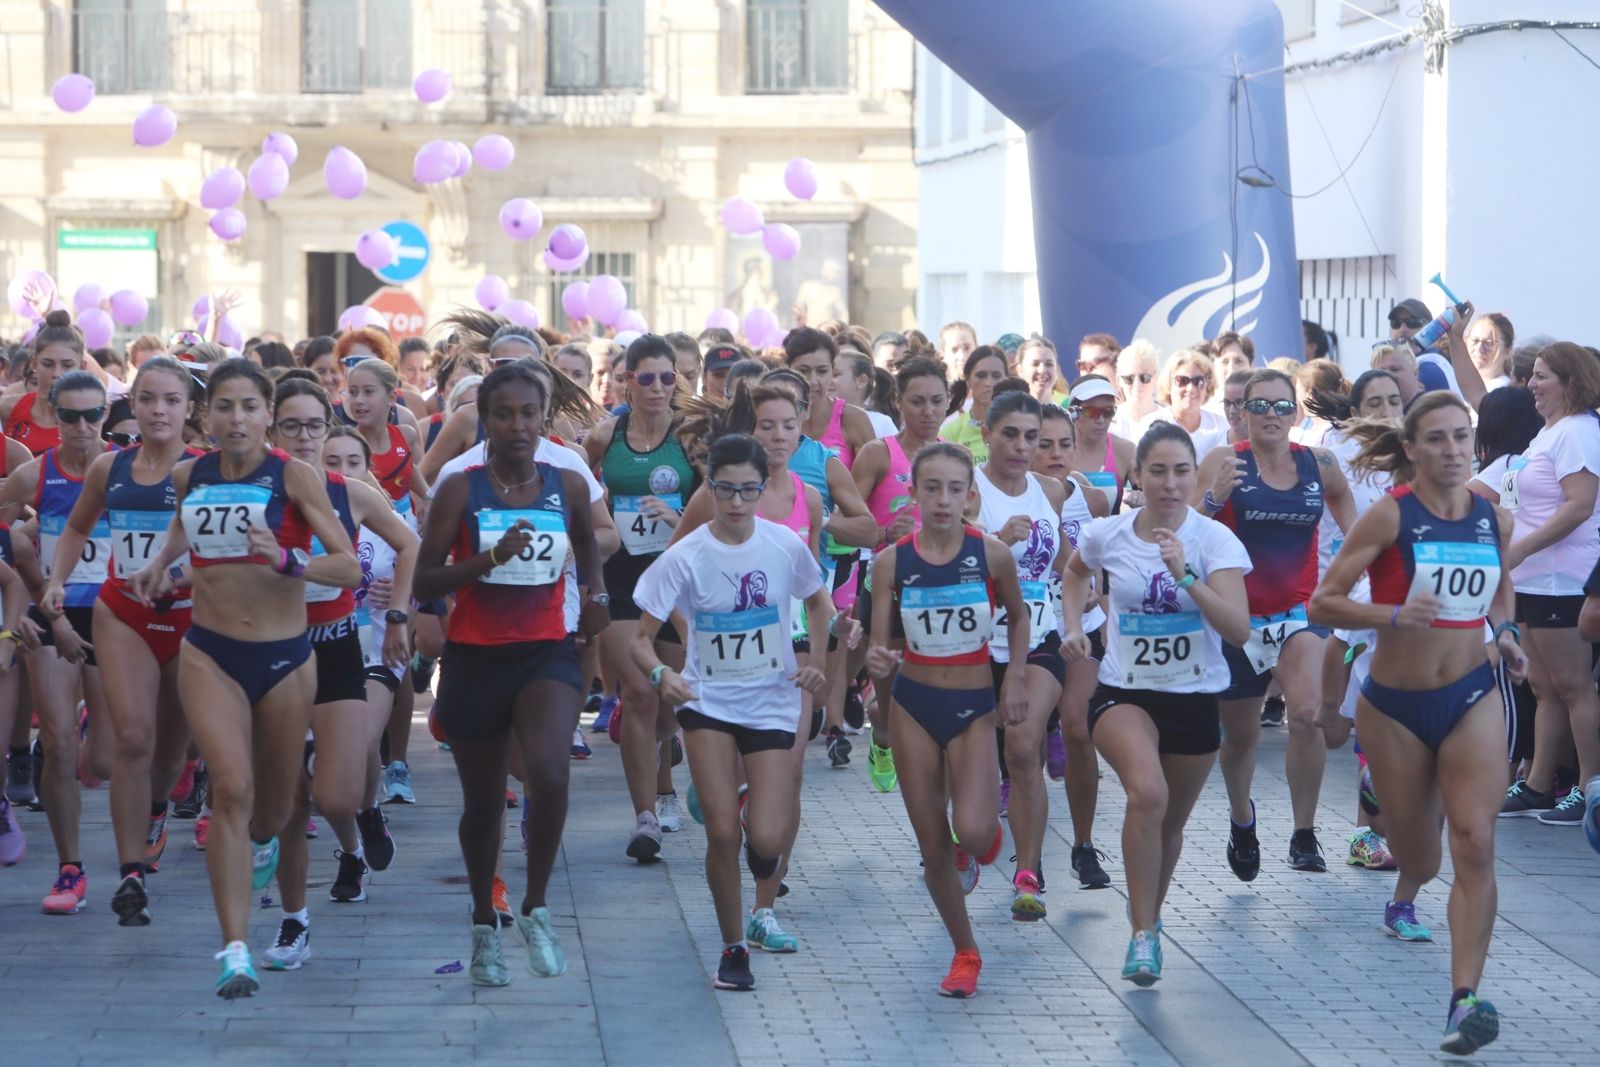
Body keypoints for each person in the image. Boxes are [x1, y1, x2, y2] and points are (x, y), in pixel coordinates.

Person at [128, 358, 361, 998]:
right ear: (208, 416)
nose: (236, 419)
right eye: (224, 407)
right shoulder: (190, 473)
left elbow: (346, 567)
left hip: (286, 657)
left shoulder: (297, 477)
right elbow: (182, 534)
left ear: (267, 416)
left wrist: (288, 559)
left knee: (279, 807)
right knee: (230, 787)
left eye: (249, 408)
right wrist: (157, 569)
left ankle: (269, 859)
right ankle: (235, 950)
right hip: (210, 653)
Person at [1309, 392, 1524, 1055]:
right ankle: (1387, 800)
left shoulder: (1492, 517)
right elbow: (1325, 601)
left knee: (1474, 840)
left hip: (1471, 694)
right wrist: (1395, 614)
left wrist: (1508, 631)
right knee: (1422, 858)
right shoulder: (1388, 515)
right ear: (1412, 448)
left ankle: (1464, 999)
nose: (1454, 450)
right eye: (1437, 439)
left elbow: (1502, 585)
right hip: (1396, 707)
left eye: (1463, 437)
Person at [415, 360, 607, 985]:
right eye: (505, 413)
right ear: (485, 420)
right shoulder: (460, 487)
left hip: (545, 649)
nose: (518, 425)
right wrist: (490, 558)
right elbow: (425, 579)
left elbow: (587, 543)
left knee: (550, 772)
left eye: (529, 413)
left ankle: (537, 906)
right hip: (474, 655)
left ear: (545, 416)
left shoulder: (567, 482)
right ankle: (481, 922)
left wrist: (597, 594)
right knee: (482, 807)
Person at [634, 432, 847, 991]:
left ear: (761, 490)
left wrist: (819, 663)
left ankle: (755, 812)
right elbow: (639, 638)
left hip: (772, 702)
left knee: (768, 843)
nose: (735, 503)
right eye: (724, 489)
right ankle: (732, 949)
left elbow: (819, 601)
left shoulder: (782, 545)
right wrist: (663, 673)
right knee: (722, 834)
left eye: (747, 491)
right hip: (707, 701)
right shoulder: (686, 555)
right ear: (709, 486)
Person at [1062, 421, 1251, 985]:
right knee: (1147, 793)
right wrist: (1074, 624)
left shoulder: (1214, 540)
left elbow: (1238, 629)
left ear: (1196, 477)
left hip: (1194, 697)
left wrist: (1187, 577)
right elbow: (1074, 573)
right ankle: (1142, 934)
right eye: (1158, 472)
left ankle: (1150, 916)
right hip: (1124, 693)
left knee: (1168, 824)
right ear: (1137, 477)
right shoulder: (1108, 533)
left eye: (1182, 472)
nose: (1170, 484)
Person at [39, 356, 205, 925]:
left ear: (188, 409)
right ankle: (130, 871)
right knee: (133, 738)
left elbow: (225, 552)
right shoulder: (111, 467)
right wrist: (57, 581)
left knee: (174, 751)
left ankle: (158, 807)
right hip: (122, 615)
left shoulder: (206, 471)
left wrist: (179, 577)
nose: (158, 410)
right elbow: (79, 527)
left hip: (187, 620)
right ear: (131, 405)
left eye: (171, 400)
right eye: (148, 398)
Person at [260, 379, 419, 971]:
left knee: (336, 795)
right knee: (290, 805)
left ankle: (352, 845)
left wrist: (398, 615)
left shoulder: (349, 494)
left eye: (313, 427)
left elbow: (408, 547)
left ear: (328, 429)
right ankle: (294, 922)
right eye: (291, 427)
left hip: (335, 647)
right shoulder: (255, 492)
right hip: (272, 651)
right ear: (272, 430)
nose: (303, 438)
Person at [865, 442, 1028, 998]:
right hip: (914, 704)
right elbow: (880, 641)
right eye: (931, 487)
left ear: (970, 495)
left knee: (978, 830)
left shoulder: (992, 554)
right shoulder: (893, 562)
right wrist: (878, 661)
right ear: (912, 493)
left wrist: (1018, 679)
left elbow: (1020, 617)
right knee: (932, 840)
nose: (942, 499)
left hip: (975, 706)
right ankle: (965, 951)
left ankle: (980, 844)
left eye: (954, 488)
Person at [1195, 368, 1354, 875]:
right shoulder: (1225, 461)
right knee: (1240, 740)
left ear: (1296, 413)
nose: (1270, 415)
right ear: (1242, 412)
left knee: (1305, 716)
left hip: (1299, 613)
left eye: (1282, 406)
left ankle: (1304, 833)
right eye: (1258, 405)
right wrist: (1215, 497)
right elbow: (1190, 528)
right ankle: (1243, 818)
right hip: (1238, 619)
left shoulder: (1320, 463)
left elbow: (1348, 509)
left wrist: (1356, 560)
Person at [0, 368, 115, 915]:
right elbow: (6, 534)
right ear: (55, 414)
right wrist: (20, 596)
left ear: (105, 416)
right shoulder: (34, 476)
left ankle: (96, 730)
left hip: (116, 620)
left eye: (92, 414)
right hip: (52, 616)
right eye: (69, 415)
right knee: (61, 745)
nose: (81, 426)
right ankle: (71, 868)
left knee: (110, 760)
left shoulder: (128, 471)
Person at [1473, 342, 1600, 825]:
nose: (1532, 385)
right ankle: (1538, 786)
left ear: (1571, 382)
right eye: (1532, 376)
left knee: (1574, 687)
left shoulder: (1578, 432)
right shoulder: (1549, 433)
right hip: (1529, 580)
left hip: (1560, 579)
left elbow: (1579, 505)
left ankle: (1590, 791)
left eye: (1543, 376)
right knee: (1545, 689)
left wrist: (1523, 548)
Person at [582, 335, 699, 860]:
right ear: (626, 380)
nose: (656, 387)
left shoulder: (693, 437)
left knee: (670, 699)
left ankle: (667, 760)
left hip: (679, 576)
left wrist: (680, 520)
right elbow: (587, 496)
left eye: (667, 377)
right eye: (645, 377)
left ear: (679, 380)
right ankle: (645, 816)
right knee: (640, 692)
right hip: (623, 576)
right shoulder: (606, 436)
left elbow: (716, 502)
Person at [969, 392, 1070, 919]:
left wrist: (1086, 604)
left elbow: (1065, 563)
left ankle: (1027, 872)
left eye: (1032, 436)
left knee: (1025, 746)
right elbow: (942, 561)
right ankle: (968, 836)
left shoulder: (1050, 489)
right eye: (1010, 433)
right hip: (973, 645)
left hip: (1037, 639)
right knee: (970, 763)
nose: (1022, 446)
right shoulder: (969, 492)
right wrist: (990, 543)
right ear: (986, 433)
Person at [850, 357, 950, 788]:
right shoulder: (878, 453)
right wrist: (884, 532)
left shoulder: (955, 456)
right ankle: (883, 730)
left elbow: (977, 513)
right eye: (917, 401)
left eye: (937, 401)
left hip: (939, 588)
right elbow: (844, 520)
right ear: (897, 402)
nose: (928, 411)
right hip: (886, 584)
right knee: (887, 693)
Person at [1031, 405, 1112, 887]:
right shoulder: (1003, 497)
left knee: (1079, 728)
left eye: (1065, 443)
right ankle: (1030, 853)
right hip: (1031, 631)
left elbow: (1106, 557)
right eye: (1045, 444)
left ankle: (1083, 846)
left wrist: (1101, 595)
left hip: (1083, 626)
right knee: (1029, 740)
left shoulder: (1092, 498)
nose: (1056, 453)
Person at [344, 357, 429, 523]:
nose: (359, 400)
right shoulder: (346, 445)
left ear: (392, 398)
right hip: (368, 536)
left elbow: (408, 468)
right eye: (353, 392)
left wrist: (428, 497)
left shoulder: (406, 435)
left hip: (408, 529)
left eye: (368, 392)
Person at [3, 310, 86, 456]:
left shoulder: (90, 419)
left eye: (67, 365)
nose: (57, 373)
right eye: (48, 364)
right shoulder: (7, 408)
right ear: (34, 364)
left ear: (82, 367)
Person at [1065, 375, 1136, 512]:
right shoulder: (1056, 450)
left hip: (1108, 533)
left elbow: (1152, 496)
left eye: (1108, 411)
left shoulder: (1126, 450)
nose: (1101, 420)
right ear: (1072, 412)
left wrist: (1142, 498)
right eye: (1092, 412)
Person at [1144, 348, 1227, 455]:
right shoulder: (1150, 424)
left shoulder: (1221, 425)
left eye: (1199, 381)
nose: (1191, 388)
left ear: (1208, 386)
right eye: (1182, 381)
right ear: (1169, 385)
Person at [939, 346, 1009, 463]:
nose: (988, 383)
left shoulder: (1021, 428)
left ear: (1006, 378)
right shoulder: (950, 433)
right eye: (981, 375)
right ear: (968, 379)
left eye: (996, 376)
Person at [833, 349, 898, 438]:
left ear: (862, 380)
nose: (828, 380)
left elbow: (896, 451)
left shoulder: (881, 423)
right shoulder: (817, 421)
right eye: (825, 373)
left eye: (835, 374)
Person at [1111, 340, 1161, 442]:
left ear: (1156, 377)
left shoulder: (1170, 420)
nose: (1137, 384)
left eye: (1145, 377)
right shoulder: (1109, 423)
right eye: (1129, 379)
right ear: (1118, 380)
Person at [1464, 313, 1514, 393]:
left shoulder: (1502, 390)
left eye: (1489, 342)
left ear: (1507, 351)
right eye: (1475, 340)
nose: (1480, 348)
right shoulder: (1462, 384)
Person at [1017, 335, 1061, 407]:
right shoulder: (1010, 415)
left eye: (1049, 364)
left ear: (1057, 370)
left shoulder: (1065, 416)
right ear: (1020, 370)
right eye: (1035, 364)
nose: (1042, 370)